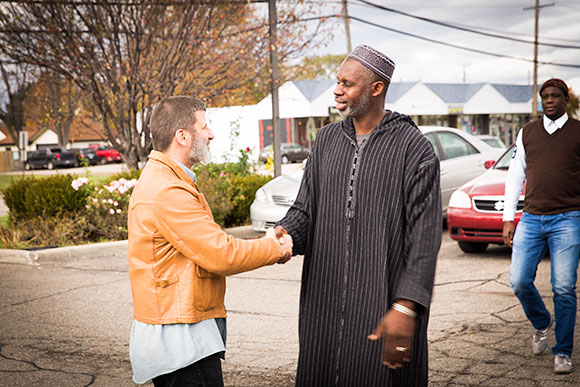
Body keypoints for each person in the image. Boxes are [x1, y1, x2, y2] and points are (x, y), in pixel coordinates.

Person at [275, 45, 442, 386]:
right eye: (337, 81)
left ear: (376, 89)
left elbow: (424, 240)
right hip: (324, 298)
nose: (337, 90)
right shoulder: (326, 141)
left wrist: (406, 308)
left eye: (347, 84)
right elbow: (306, 208)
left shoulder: (414, 149)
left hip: (383, 303)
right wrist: (285, 233)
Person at [127, 96, 293, 386]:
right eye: (204, 126)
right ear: (182, 136)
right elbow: (221, 254)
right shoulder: (168, 190)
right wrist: (273, 247)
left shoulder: (165, 178)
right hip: (183, 343)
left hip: (178, 331)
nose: (211, 134)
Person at [503, 78, 580, 374]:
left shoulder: (577, 131)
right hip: (531, 218)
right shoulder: (527, 133)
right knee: (519, 281)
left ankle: (563, 352)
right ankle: (540, 322)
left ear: (565, 99)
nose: (549, 100)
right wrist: (508, 218)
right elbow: (514, 176)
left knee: (563, 287)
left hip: (568, 218)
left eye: (555, 96)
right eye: (544, 97)